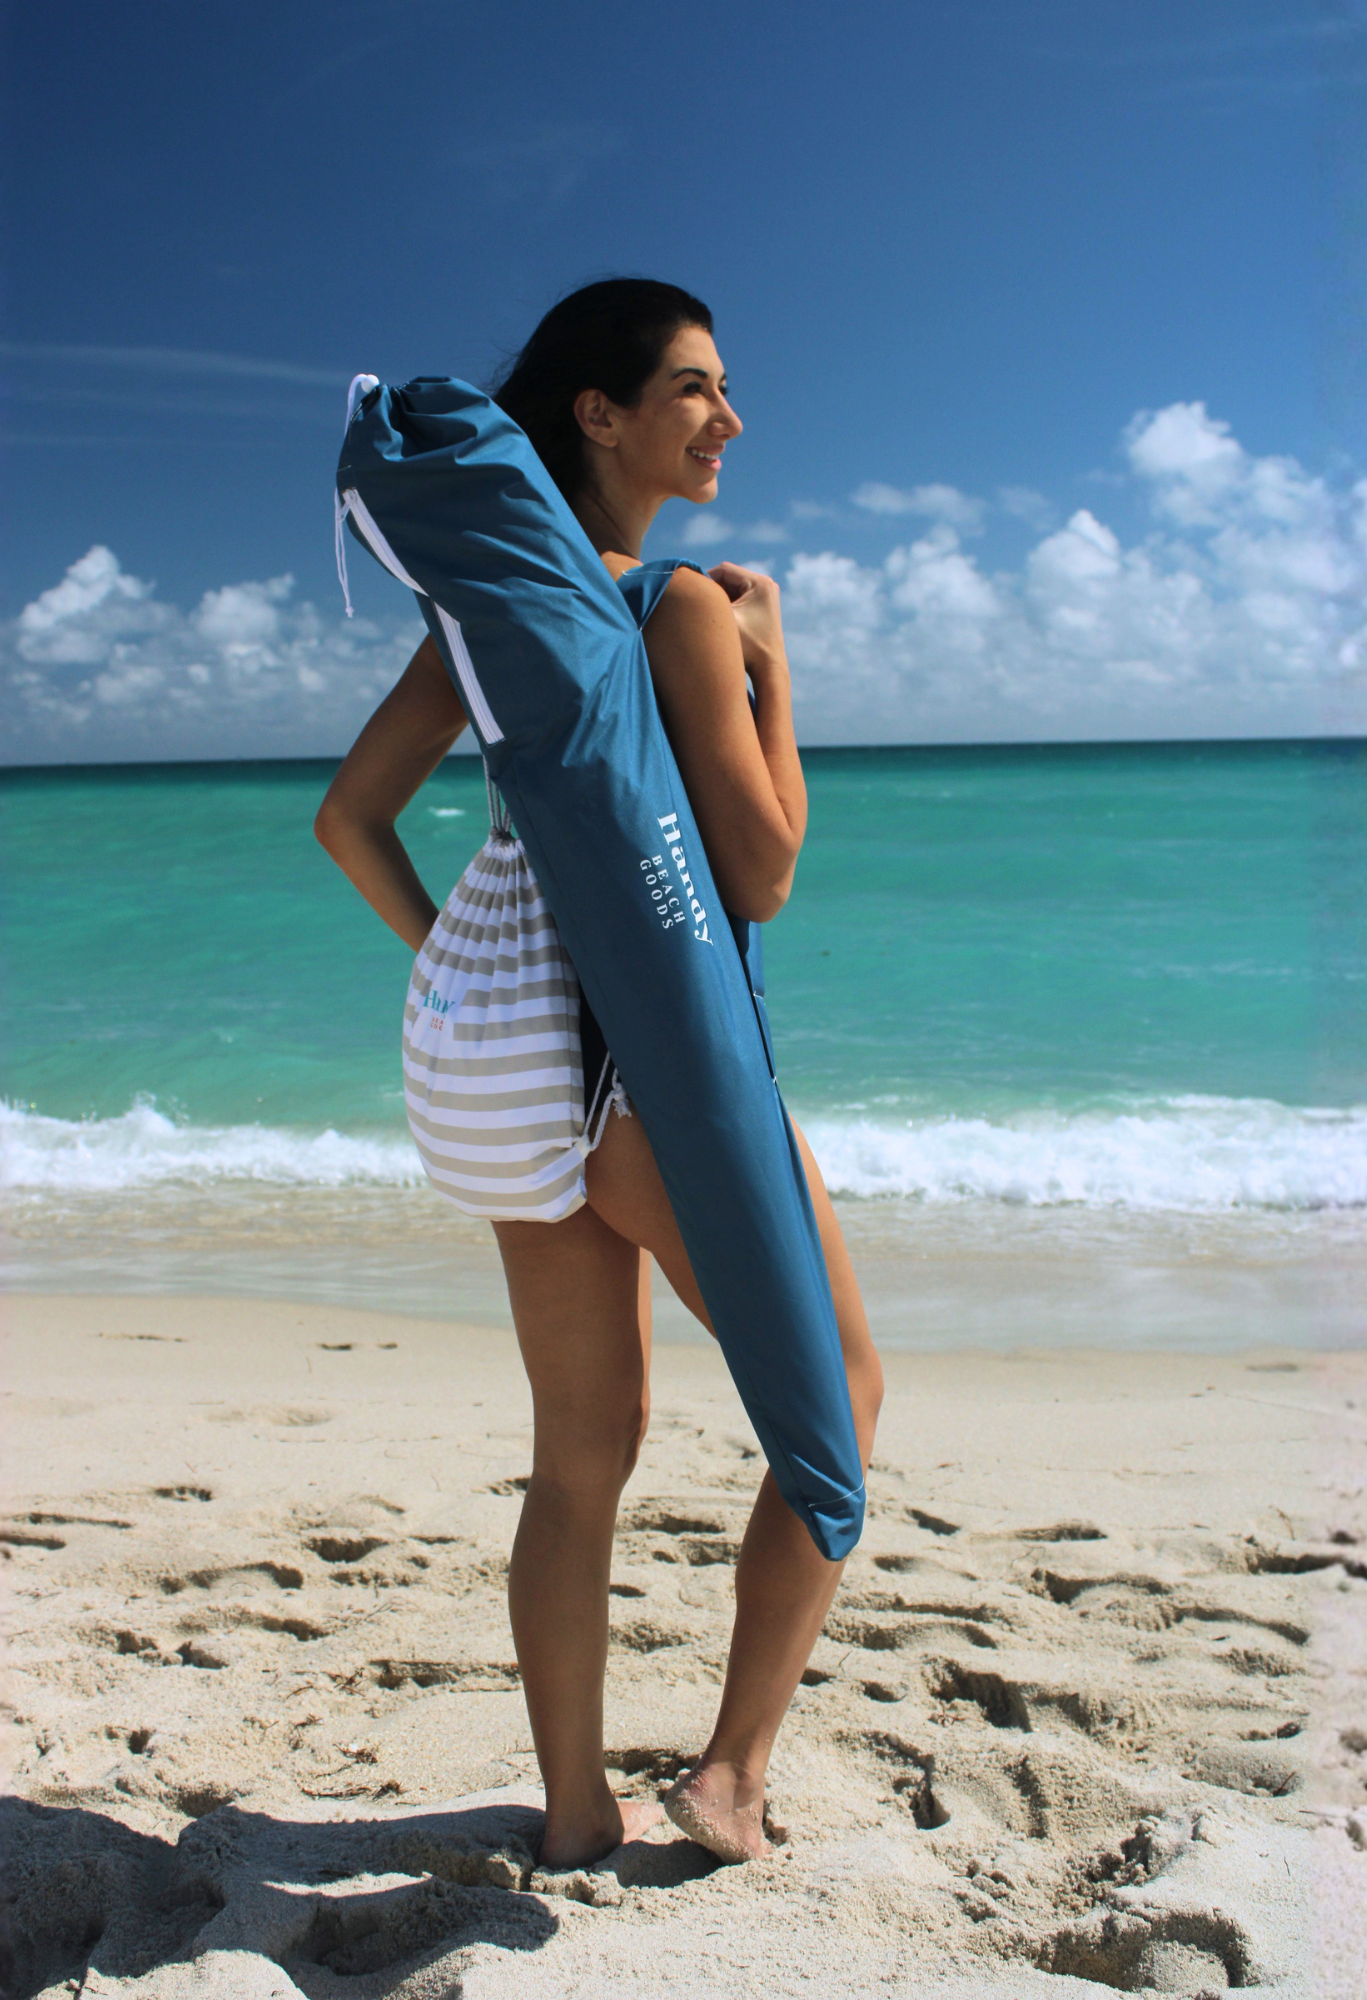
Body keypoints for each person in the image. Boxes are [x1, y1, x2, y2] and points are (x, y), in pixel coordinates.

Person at [315, 279, 883, 1868]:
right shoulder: (681, 605)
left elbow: (348, 819)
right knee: (840, 1399)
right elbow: (762, 870)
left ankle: (574, 1811)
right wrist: (775, 667)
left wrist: (450, 955)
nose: (729, 418)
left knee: (582, 1453)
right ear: (600, 414)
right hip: (648, 1074)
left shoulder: (503, 615)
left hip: (510, 1078)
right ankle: (729, 1778)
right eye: (696, 388)